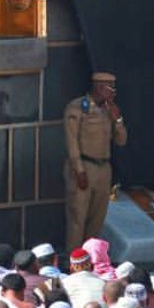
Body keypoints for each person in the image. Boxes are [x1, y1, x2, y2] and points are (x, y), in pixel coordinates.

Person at [63, 71, 127, 251]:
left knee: (97, 219)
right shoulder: (77, 108)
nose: (113, 92)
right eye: (110, 88)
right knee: (78, 219)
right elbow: (72, 142)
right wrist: (79, 171)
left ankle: (91, 260)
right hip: (84, 167)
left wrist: (118, 119)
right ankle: (74, 262)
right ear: (99, 87)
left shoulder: (109, 110)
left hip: (103, 169)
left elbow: (121, 140)